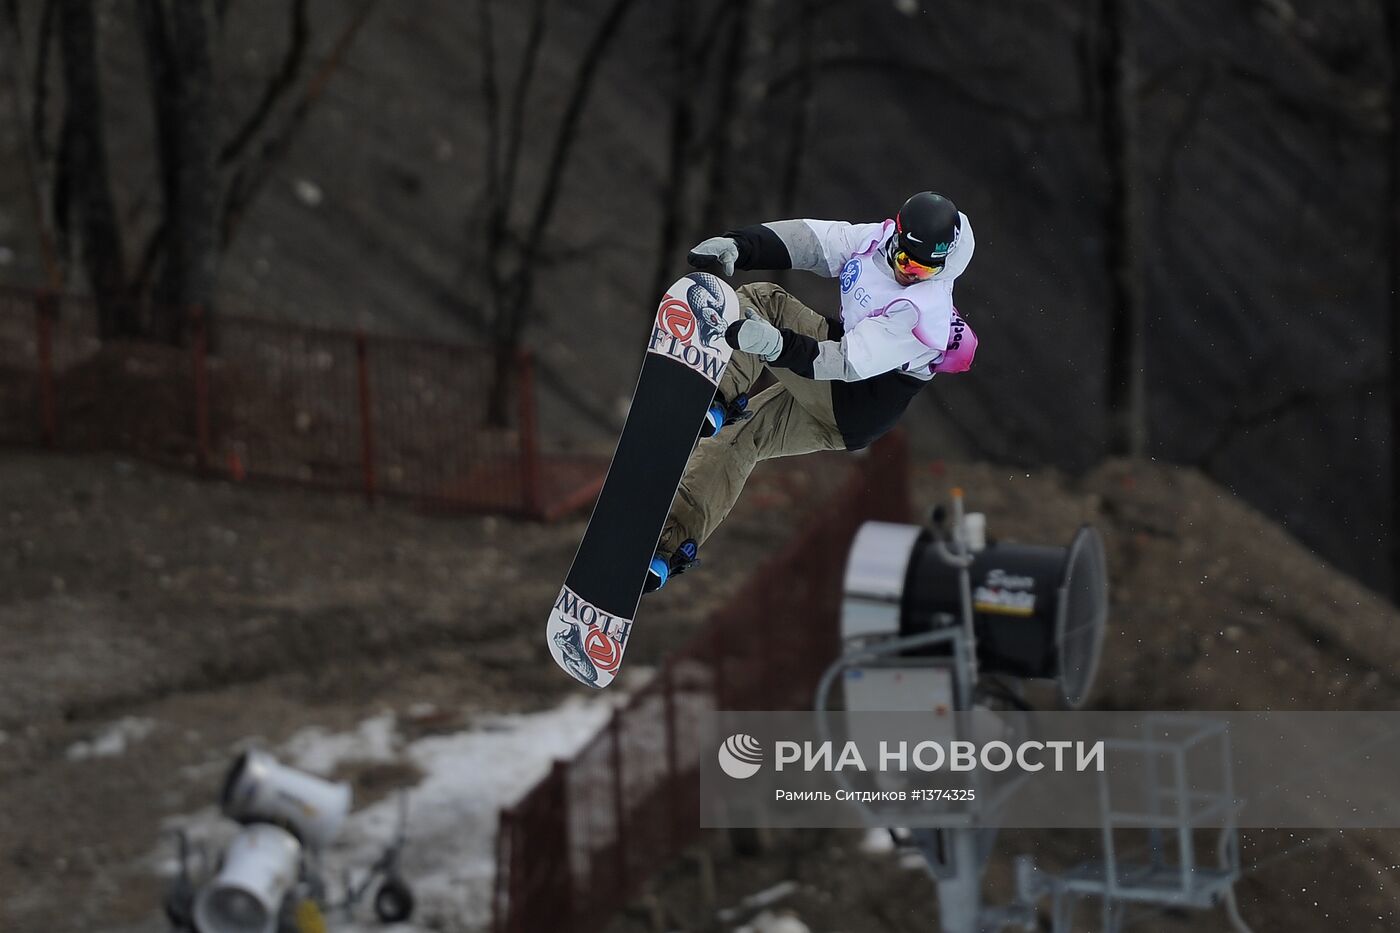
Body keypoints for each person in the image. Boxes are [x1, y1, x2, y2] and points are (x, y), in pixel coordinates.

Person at [644, 191, 979, 592]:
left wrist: (774, 346)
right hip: (849, 420)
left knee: (762, 301)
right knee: (738, 437)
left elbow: (847, 362)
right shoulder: (874, 241)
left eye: (925, 270)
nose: (911, 274)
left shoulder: (925, 313)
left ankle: (715, 397)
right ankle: (665, 550)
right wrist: (741, 245)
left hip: (854, 387)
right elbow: (811, 241)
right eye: (906, 261)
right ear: (896, 239)